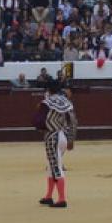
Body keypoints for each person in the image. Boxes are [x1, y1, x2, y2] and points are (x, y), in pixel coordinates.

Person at [37, 80, 78, 208]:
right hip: (63, 137)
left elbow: (39, 121)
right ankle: (49, 196)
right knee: (51, 166)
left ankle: (62, 199)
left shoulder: (47, 102)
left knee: (56, 167)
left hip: (52, 136)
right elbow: (73, 121)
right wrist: (71, 139)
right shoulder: (66, 102)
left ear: (49, 90)